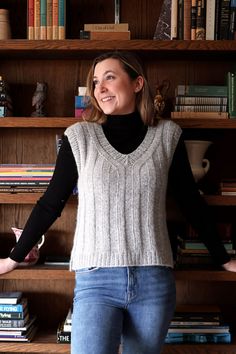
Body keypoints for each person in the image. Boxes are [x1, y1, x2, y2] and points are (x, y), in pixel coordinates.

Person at [0, 51, 236, 354]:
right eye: (96, 82)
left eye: (109, 78)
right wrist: (13, 258)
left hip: (154, 280)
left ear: (138, 83)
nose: (99, 88)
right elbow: (50, 204)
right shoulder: (80, 138)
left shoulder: (167, 136)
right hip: (95, 281)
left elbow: (191, 201)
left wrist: (223, 258)